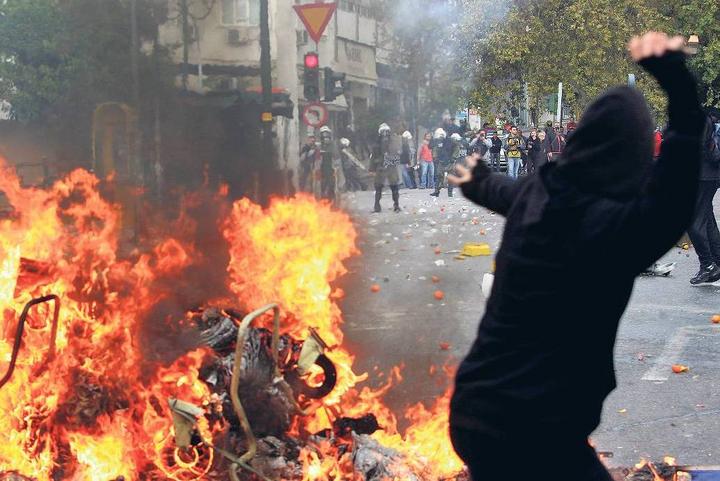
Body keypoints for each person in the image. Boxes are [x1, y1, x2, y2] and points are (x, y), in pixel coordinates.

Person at [446, 33, 704, 481]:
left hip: (474, 410)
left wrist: (476, 179)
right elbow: (679, 181)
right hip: (536, 430)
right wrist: (677, 82)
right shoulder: (617, 229)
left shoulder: (537, 193)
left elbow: (499, 191)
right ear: (633, 158)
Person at [687, 115, 720, 285]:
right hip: (708, 175)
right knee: (707, 219)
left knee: (693, 222)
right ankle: (716, 261)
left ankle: (708, 265)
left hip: (701, 176)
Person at [370, 123, 402, 213]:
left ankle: (396, 205)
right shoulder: (377, 144)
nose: (384, 134)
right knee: (378, 187)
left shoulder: (393, 142)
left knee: (394, 187)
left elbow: (397, 154)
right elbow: (373, 156)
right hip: (380, 166)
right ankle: (377, 206)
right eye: (383, 132)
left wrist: (392, 161)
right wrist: (372, 168)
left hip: (391, 166)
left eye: (386, 132)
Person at [430, 128, 453, 197]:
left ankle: (450, 193)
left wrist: (454, 157)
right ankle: (436, 191)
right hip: (441, 161)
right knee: (438, 176)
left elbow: (456, 148)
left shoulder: (450, 141)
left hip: (450, 161)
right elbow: (435, 149)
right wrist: (435, 157)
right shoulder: (438, 141)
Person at [318, 126, 338, 201]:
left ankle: (332, 201)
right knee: (322, 187)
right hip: (321, 171)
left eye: (327, 135)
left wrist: (336, 169)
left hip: (331, 170)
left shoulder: (333, 146)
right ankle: (323, 201)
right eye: (324, 135)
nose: (325, 137)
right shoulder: (319, 147)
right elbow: (316, 160)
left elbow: (336, 158)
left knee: (332, 186)